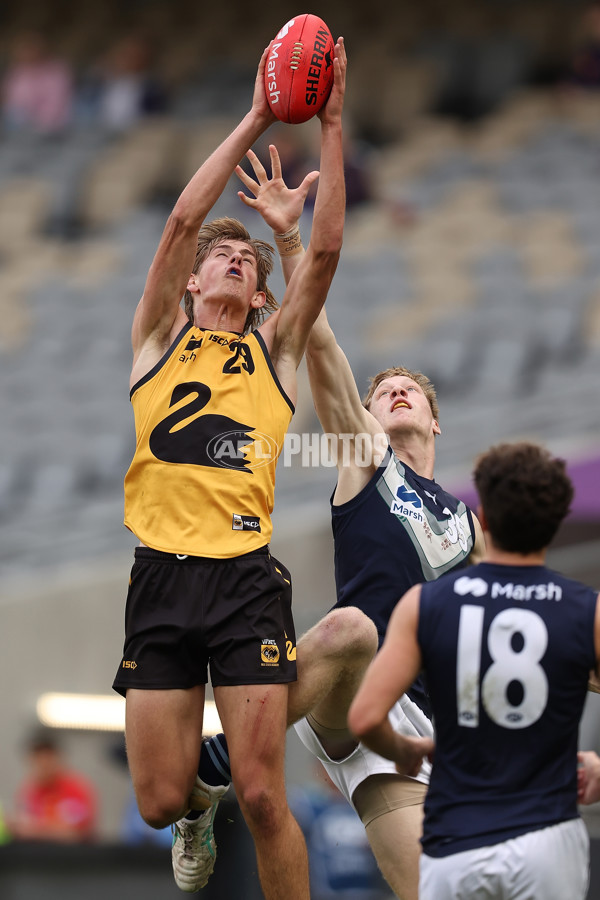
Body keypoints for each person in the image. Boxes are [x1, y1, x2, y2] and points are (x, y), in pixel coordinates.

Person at [111, 36, 366, 900]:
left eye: (246, 261)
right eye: (218, 257)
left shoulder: (274, 355)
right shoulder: (154, 344)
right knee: (153, 800)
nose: (230, 257)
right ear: (189, 285)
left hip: (246, 580)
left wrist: (329, 123)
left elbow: (322, 258)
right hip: (161, 578)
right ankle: (192, 807)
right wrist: (259, 113)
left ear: (260, 296)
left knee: (264, 794)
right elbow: (183, 222)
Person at [199, 146, 485, 900]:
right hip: (351, 690)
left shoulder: (468, 525)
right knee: (353, 628)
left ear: (435, 420)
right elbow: (320, 344)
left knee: (439, 889)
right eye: (381, 389)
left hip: (426, 720)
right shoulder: (365, 458)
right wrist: (290, 243)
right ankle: (223, 757)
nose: (392, 394)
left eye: (407, 391)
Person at [349, 441, 600, 900]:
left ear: (480, 517)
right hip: (546, 835)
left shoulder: (427, 605)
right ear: (555, 520)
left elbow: (364, 718)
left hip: (456, 844)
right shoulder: (586, 610)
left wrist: (403, 748)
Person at [7, 730, 97, 842]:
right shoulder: (29, 790)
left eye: (48, 756)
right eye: (38, 757)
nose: (43, 762)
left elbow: (75, 833)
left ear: (58, 757)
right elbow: (21, 827)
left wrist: (35, 829)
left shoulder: (75, 787)